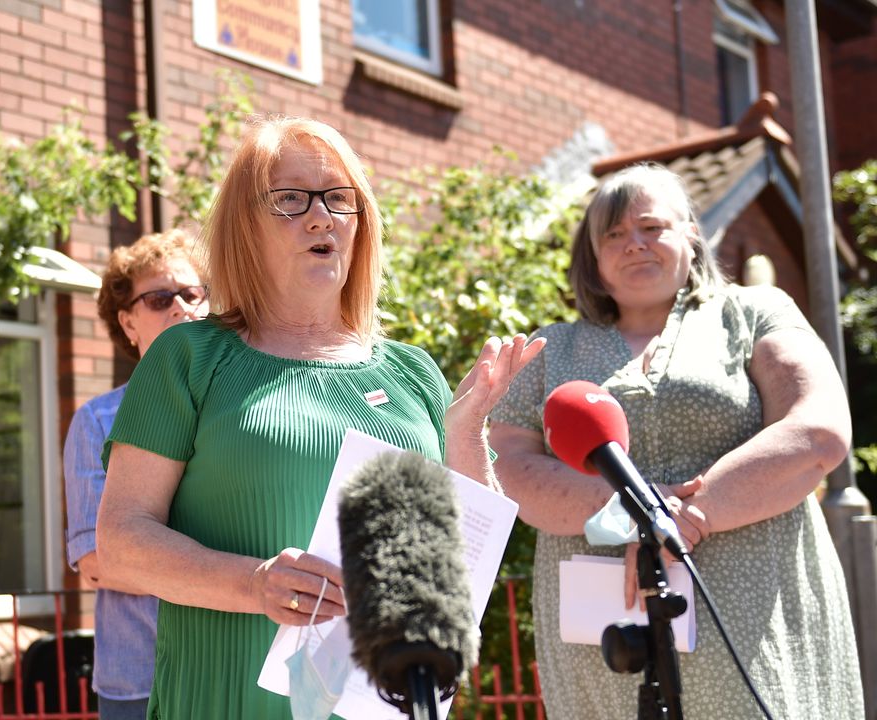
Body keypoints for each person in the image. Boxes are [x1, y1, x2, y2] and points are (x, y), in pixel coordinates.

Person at [94, 117, 543, 719]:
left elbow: (462, 568)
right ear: (243, 228)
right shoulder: (187, 359)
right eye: (289, 199)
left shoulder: (413, 373)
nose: (320, 216)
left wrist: (464, 432)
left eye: (339, 198)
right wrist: (254, 584)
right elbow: (121, 543)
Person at [490, 163, 863, 719]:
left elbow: (818, 431)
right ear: (592, 257)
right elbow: (506, 464)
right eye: (613, 234)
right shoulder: (551, 349)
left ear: (691, 233)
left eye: (650, 227)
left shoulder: (756, 312)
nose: (633, 245)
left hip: (756, 622)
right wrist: (631, 513)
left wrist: (685, 518)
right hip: (608, 644)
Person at [64, 229, 209, 720]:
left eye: (192, 293)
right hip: (139, 678)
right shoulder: (98, 421)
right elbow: (99, 561)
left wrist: (158, 558)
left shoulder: (241, 415)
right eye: (159, 297)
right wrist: (234, 577)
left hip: (235, 666)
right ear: (128, 321)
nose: (180, 307)